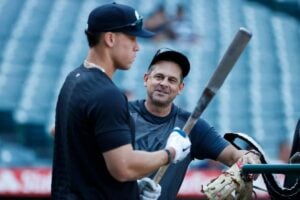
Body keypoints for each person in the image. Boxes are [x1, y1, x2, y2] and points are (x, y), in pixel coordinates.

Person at [51, 3, 191, 200]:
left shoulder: (73, 79)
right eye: (132, 37)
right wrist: (171, 152)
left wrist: (131, 188)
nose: (137, 46)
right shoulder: (107, 94)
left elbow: (81, 146)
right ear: (110, 38)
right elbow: (123, 168)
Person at [129, 48, 261, 199]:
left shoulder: (191, 126)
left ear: (180, 88)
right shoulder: (121, 114)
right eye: (159, 77)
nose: (164, 83)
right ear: (146, 79)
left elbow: (233, 155)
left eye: (172, 80)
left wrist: (249, 157)